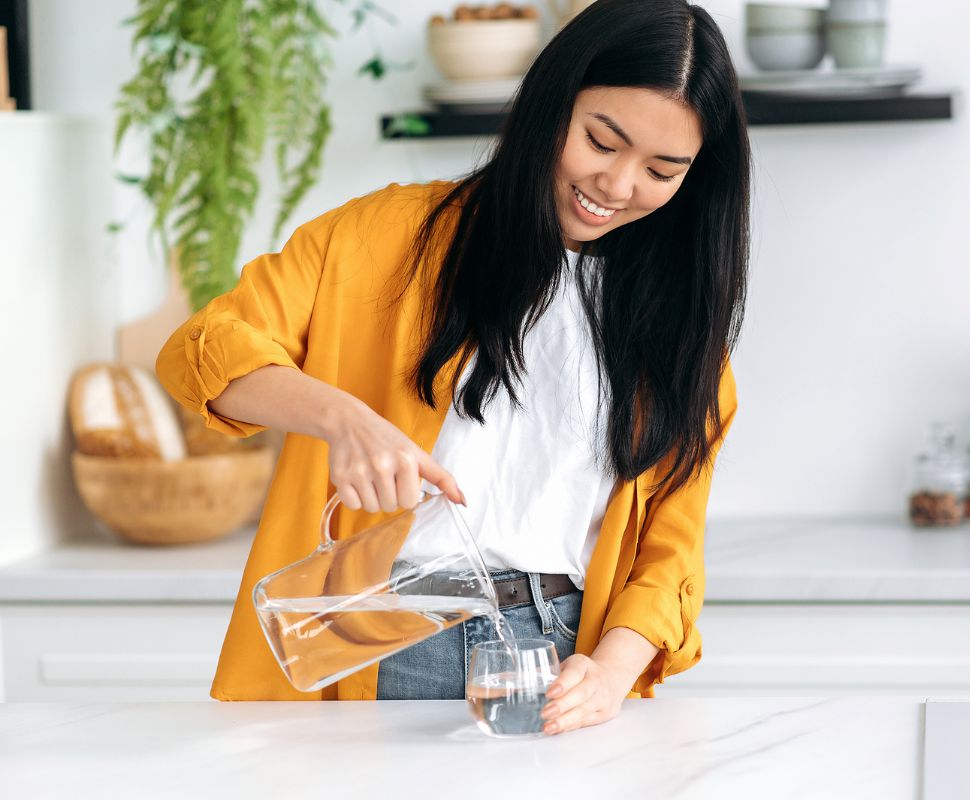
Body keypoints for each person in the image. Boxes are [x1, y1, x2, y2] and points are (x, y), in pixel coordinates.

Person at [156, 0, 749, 736]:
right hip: (389, 636)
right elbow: (202, 348)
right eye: (602, 141)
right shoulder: (384, 237)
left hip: (567, 659)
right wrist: (345, 420)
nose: (619, 186)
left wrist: (609, 673)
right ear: (552, 104)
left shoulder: (684, 333)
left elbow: (671, 552)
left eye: (662, 170)